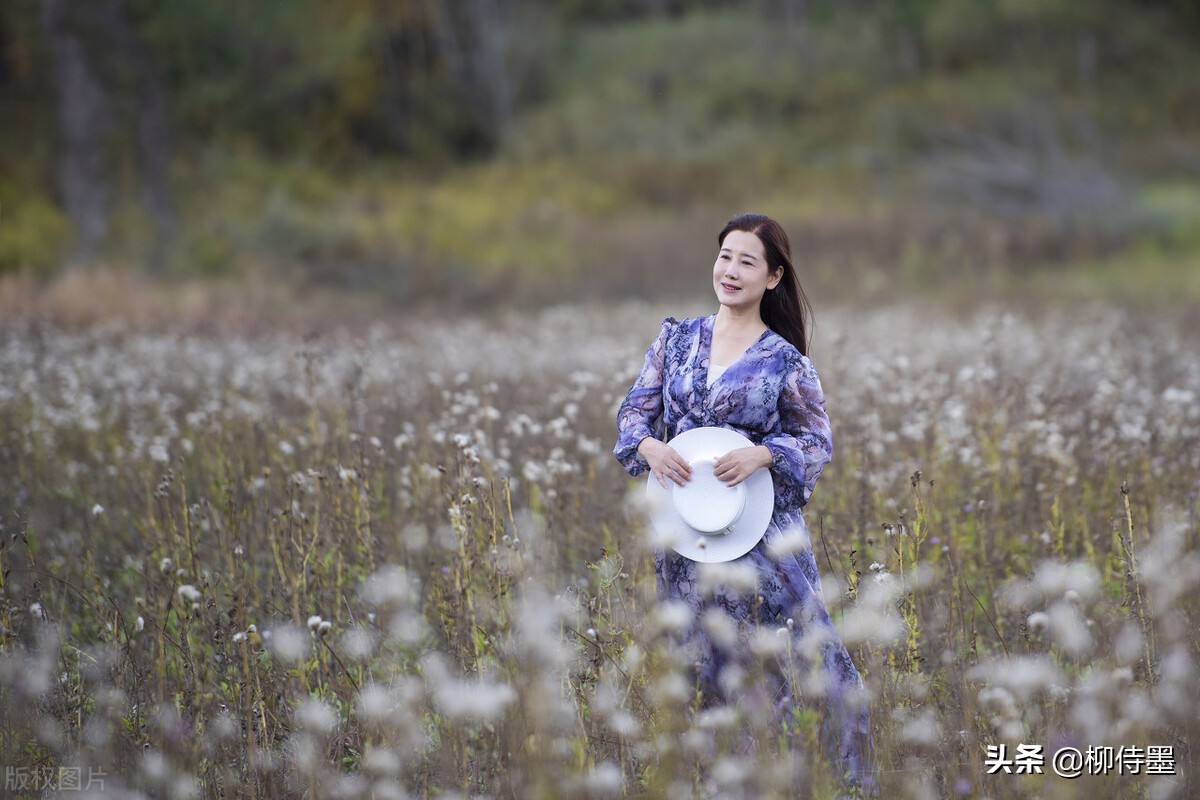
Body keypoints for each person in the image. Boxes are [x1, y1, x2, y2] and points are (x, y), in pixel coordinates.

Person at [613, 212, 875, 793]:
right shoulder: (676, 340)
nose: (730, 271)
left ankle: (832, 784)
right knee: (704, 674)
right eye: (725, 256)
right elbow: (633, 413)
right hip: (686, 537)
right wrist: (650, 446)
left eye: (747, 262)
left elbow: (816, 442)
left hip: (761, 537)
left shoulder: (785, 361)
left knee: (810, 667)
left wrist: (764, 454)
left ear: (773, 277)